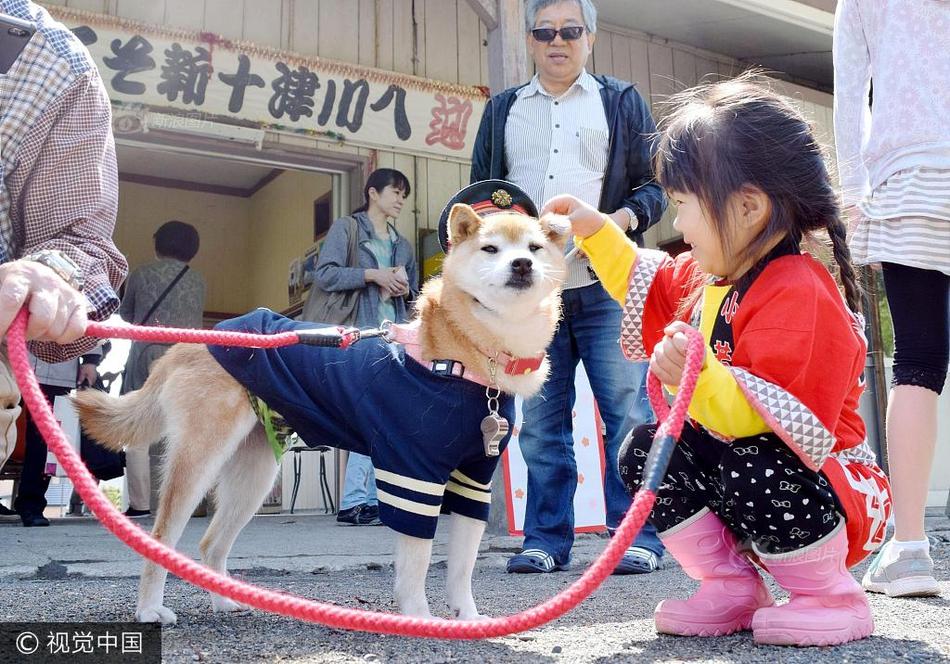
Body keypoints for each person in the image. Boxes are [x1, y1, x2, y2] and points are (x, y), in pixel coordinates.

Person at [547, 76, 892, 646]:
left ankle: (830, 596)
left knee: (753, 458)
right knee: (645, 449)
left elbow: (768, 421)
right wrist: (594, 230)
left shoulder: (799, 291)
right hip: (751, 477)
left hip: (827, 489)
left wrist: (697, 377)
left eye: (683, 206)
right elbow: (642, 277)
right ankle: (731, 584)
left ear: (748, 207)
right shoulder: (710, 276)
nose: (677, 225)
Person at [470, 0, 667, 574]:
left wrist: (616, 224)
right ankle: (545, 541)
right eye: (545, 31)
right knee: (540, 423)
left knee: (628, 413)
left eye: (570, 31)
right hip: (532, 296)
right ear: (531, 40)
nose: (558, 41)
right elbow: (482, 196)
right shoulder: (504, 108)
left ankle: (637, 537)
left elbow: (655, 184)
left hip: (607, 283)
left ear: (591, 37)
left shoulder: (621, 102)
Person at [833, 0, 949, 598]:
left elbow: (849, 96)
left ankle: (909, 550)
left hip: (911, 181)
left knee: (920, 361)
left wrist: (854, 195)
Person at [0, 0, 127, 473]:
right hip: (45, 350)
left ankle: (32, 506)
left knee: (41, 422)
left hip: (38, 338)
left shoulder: (54, 59)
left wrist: (48, 274)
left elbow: (78, 240)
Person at [310, 168, 418, 526]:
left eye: (404, 193)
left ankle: (370, 501)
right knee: (372, 417)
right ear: (373, 192)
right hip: (358, 335)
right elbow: (325, 274)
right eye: (395, 191)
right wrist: (373, 275)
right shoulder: (348, 228)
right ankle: (356, 500)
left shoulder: (403, 245)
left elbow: (414, 297)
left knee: (384, 419)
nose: (401, 198)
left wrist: (403, 288)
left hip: (394, 339)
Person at [119, 221, 205, 518]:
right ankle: (183, 502)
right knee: (180, 430)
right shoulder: (198, 281)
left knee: (139, 430)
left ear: (158, 244)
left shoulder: (141, 274)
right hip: (186, 357)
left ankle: (140, 504)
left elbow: (127, 315)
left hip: (147, 352)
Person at [12, 348, 102, 526]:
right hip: (10, 358)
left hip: (57, 369)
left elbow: (88, 320)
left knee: (43, 442)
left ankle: (32, 504)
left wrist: (91, 360)